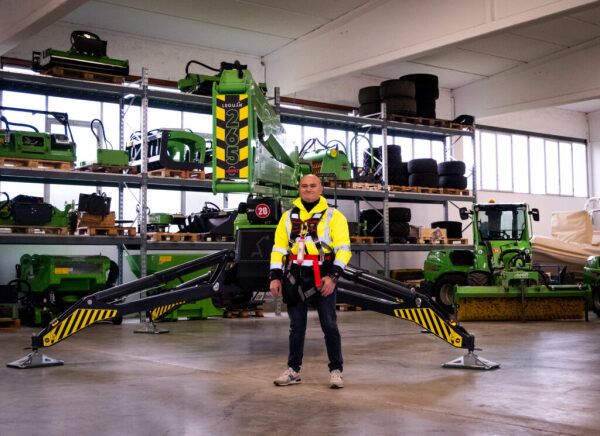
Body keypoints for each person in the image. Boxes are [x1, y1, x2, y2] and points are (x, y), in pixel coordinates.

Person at [269, 174, 352, 389]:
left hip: (323, 274)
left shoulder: (334, 216)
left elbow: (344, 249)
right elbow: (279, 248)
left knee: (329, 325)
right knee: (296, 327)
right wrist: (275, 277)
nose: (308, 189)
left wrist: (333, 277)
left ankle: (336, 370)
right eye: (304, 186)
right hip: (295, 275)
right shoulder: (288, 217)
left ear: (321, 188)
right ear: (299, 189)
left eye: (312, 185)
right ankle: (293, 370)